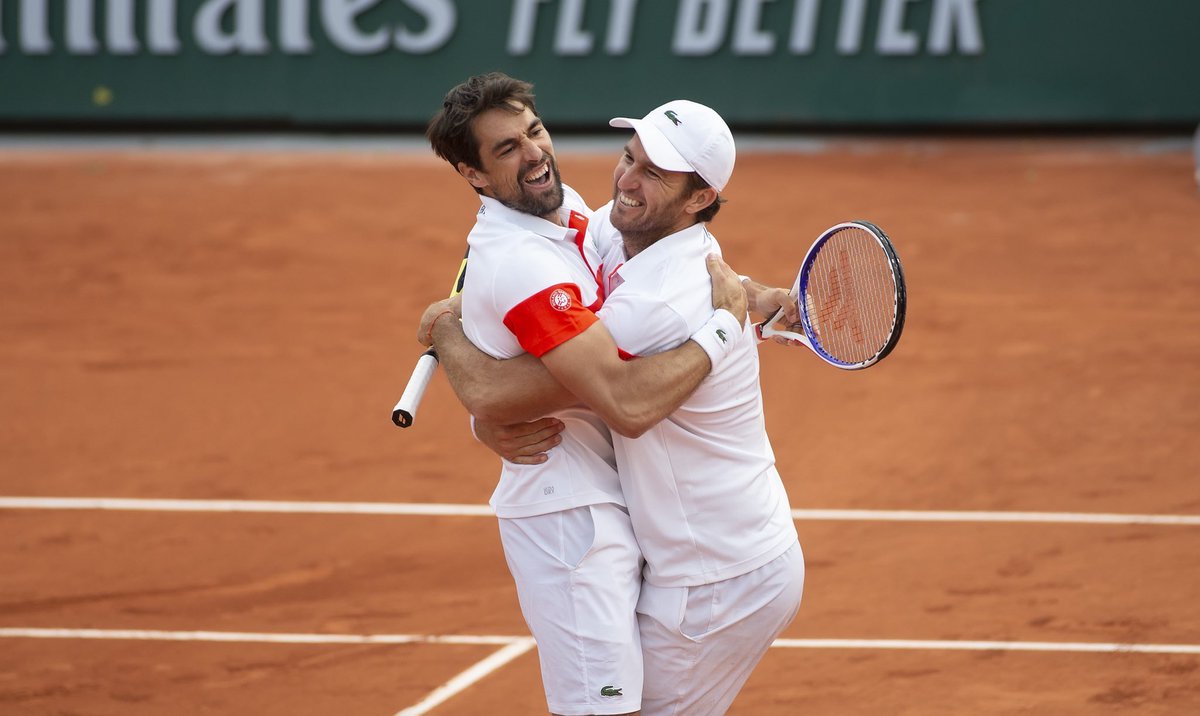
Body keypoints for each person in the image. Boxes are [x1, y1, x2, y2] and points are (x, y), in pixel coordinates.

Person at [420, 98, 804, 715]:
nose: (627, 180)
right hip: (711, 559)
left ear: (700, 199)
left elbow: (593, 399)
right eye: (630, 157)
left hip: (716, 575)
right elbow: (581, 242)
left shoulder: (655, 306)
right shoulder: (611, 231)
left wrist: (448, 341)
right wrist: (757, 298)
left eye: (655, 174)